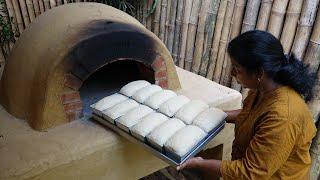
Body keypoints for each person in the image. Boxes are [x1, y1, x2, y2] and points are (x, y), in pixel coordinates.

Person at [177, 30, 317, 179]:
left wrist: (200, 164)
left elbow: (251, 173)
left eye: (237, 69)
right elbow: (253, 116)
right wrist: (213, 113)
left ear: (259, 74)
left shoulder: (283, 117)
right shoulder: (265, 88)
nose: (231, 73)